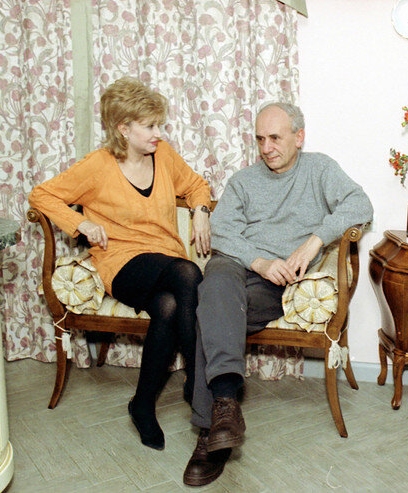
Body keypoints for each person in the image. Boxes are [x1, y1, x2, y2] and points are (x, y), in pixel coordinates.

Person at [182, 102, 373, 486]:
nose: (266, 148)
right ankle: (224, 409)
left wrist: (314, 240)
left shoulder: (320, 170)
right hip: (238, 266)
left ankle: (209, 431)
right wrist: (259, 261)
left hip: (277, 282)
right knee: (215, 284)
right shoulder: (243, 181)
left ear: (299, 137)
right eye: (259, 139)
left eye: (275, 138)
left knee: (211, 312)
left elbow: (360, 205)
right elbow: (222, 232)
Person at [29, 77, 211, 451]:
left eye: (160, 124)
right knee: (189, 272)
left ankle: (142, 405)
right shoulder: (98, 166)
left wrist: (201, 212)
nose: (159, 133)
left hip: (165, 257)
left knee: (169, 305)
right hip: (121, 262)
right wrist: (81, 223)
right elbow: (41, 195)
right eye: (150, 126)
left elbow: (196, 185)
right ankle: (198, 384)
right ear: (123, 128)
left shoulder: (164, 155)